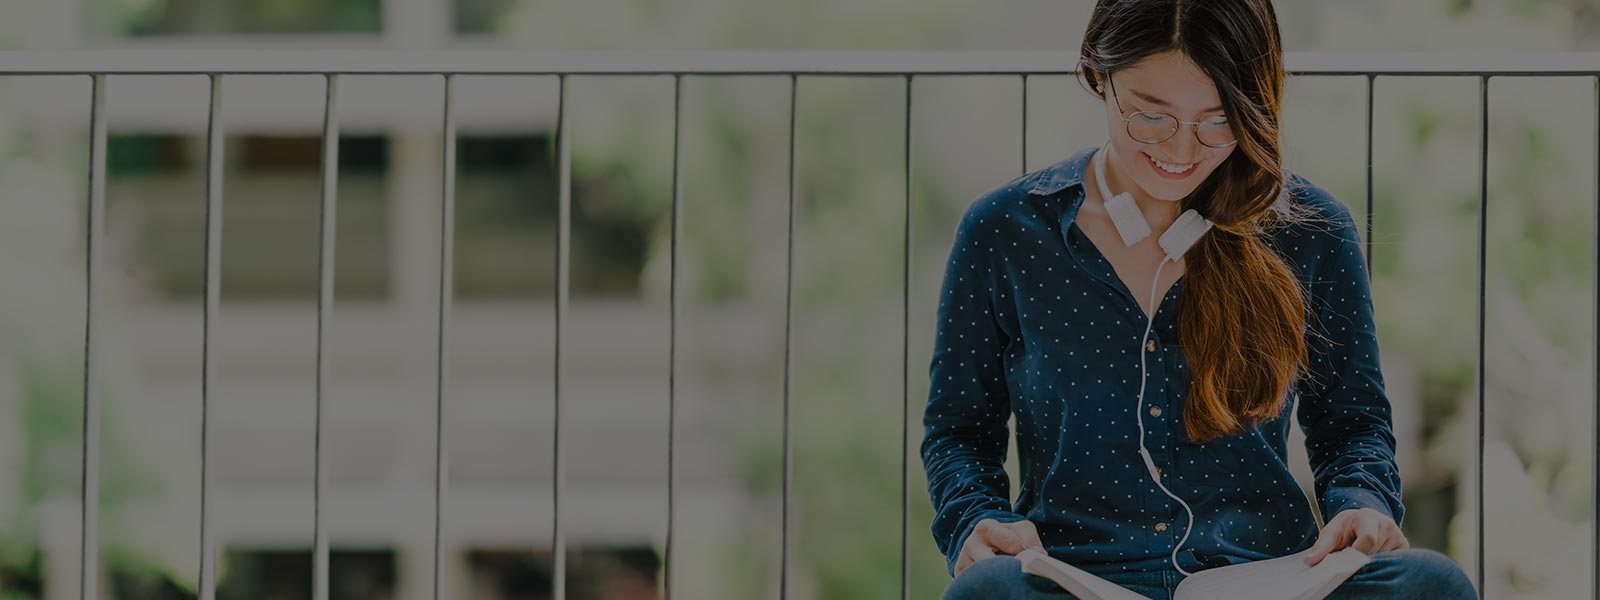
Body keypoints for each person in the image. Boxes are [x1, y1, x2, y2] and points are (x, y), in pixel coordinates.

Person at [920, 1, 1477, 598]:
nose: (1182, 151)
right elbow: (959, 432)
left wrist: (1363, 505)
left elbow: (1353, 426)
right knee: (986, 593)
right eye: (1151, 117)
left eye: (1217, 120)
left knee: (1432, 584)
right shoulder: (1005, 230)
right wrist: (975, 521)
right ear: (1097, 76)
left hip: (1272, 576)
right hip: (1073, 577)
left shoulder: (1311, 232)